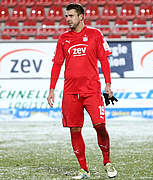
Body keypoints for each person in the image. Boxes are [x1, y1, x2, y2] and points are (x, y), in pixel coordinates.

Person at [46, 3, 117, 179]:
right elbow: (57, 65)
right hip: (71, 93)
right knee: (75, 130)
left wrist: (108, 84)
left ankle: (107, 162)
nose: (67, 19)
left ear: (81, 17)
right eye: (66, 16)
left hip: (92, 91)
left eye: (71, 16)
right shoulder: (63, 38)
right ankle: (84, 169)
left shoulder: (96, 34)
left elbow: (104, 60)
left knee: (100, 125)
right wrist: (52, 89)